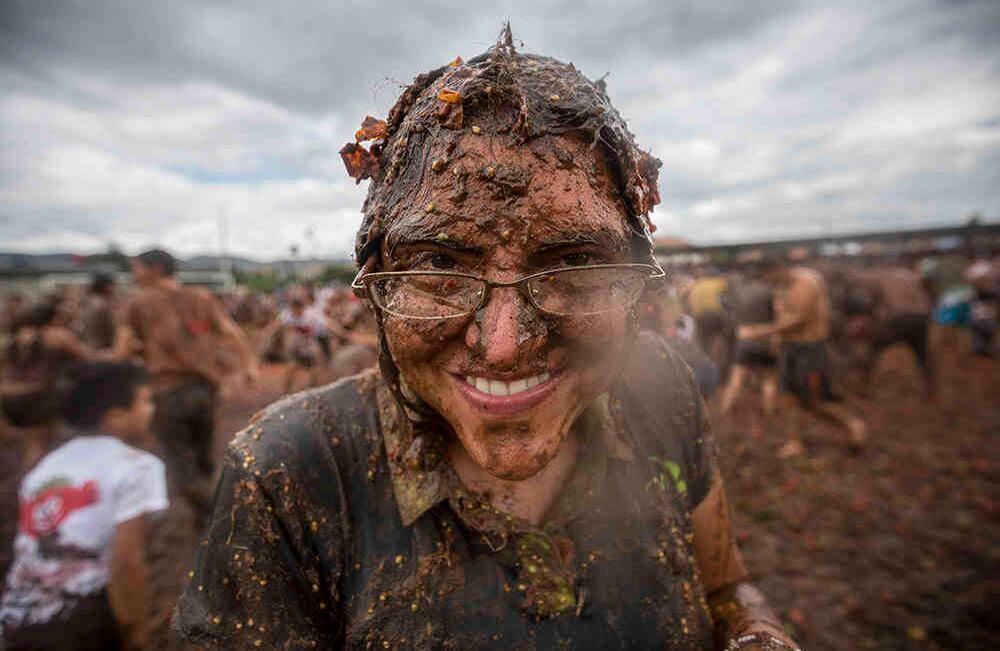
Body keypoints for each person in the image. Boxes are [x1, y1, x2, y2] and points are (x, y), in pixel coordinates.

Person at [175, 33, 798, 650]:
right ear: (374, 284)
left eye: (575, 263)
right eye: (439, 263)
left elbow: (725, 587)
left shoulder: (656, 385)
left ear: (634, 286)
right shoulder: (292, 473)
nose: (503, 346)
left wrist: (755, 634)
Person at [1, 361, 168, 650]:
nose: (152, 409)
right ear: (115, 416)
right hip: (82, 622)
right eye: (145, 401)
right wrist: (137, 633)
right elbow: (126, 561)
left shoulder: (45, 468)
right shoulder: (139, 467)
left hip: (18, 620)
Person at [113, 249, 258, 516]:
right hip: (206, 391)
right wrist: (248, 365)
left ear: (155, 269)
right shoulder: (200, 297)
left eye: (137, 268)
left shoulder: (138, 304)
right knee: (204, 461)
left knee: (184, 472)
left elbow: (120, 352)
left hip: (168, 393)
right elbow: (232, 332)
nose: (134, 274)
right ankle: (208, 516)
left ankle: (229, 512)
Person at [738, 256, 866, 458]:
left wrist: (760, 332)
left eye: (770, 276)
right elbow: (782, 315)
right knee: (789, 398)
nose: (769, 282)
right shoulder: (780, 286)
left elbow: (799, 319)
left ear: (780, 268)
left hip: (810, 350)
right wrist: (777, 341)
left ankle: (853, 425)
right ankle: (794, 442)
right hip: (790, 349)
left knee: (812, 401)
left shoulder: (805, 284)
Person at [1, 302, 103, 465]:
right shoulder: (57, 335)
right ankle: (37, 484)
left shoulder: (15, 337)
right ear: (53, 318)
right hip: (37, 396)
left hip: (8, 398)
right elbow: (90, 357)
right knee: (38, 447)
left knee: (28, 445)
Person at [848, 264, 934, 397]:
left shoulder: (883, 278)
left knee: (874, 348)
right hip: (920, 318)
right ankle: (930, 390)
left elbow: (874, 302)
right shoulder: (912, 275)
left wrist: (872, 318)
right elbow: (928, 291)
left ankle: (863, 387)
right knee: (922, 354)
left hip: (899, 318)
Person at [719, 272, 779, 423]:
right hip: (765, 337)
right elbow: (777, 314)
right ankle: (769, 410)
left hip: (745, 337)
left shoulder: (740, 292)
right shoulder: (770, 290)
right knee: (769, 376)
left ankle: (725, 407)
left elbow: (727, 307)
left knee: (737, 375)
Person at [78, 273, 117, 350]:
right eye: (113, 286)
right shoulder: (102, 305)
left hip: (88, 347)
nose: (114, 289)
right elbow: (112, 332)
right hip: (101, 350)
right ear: (107, 287)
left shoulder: (88, 302)